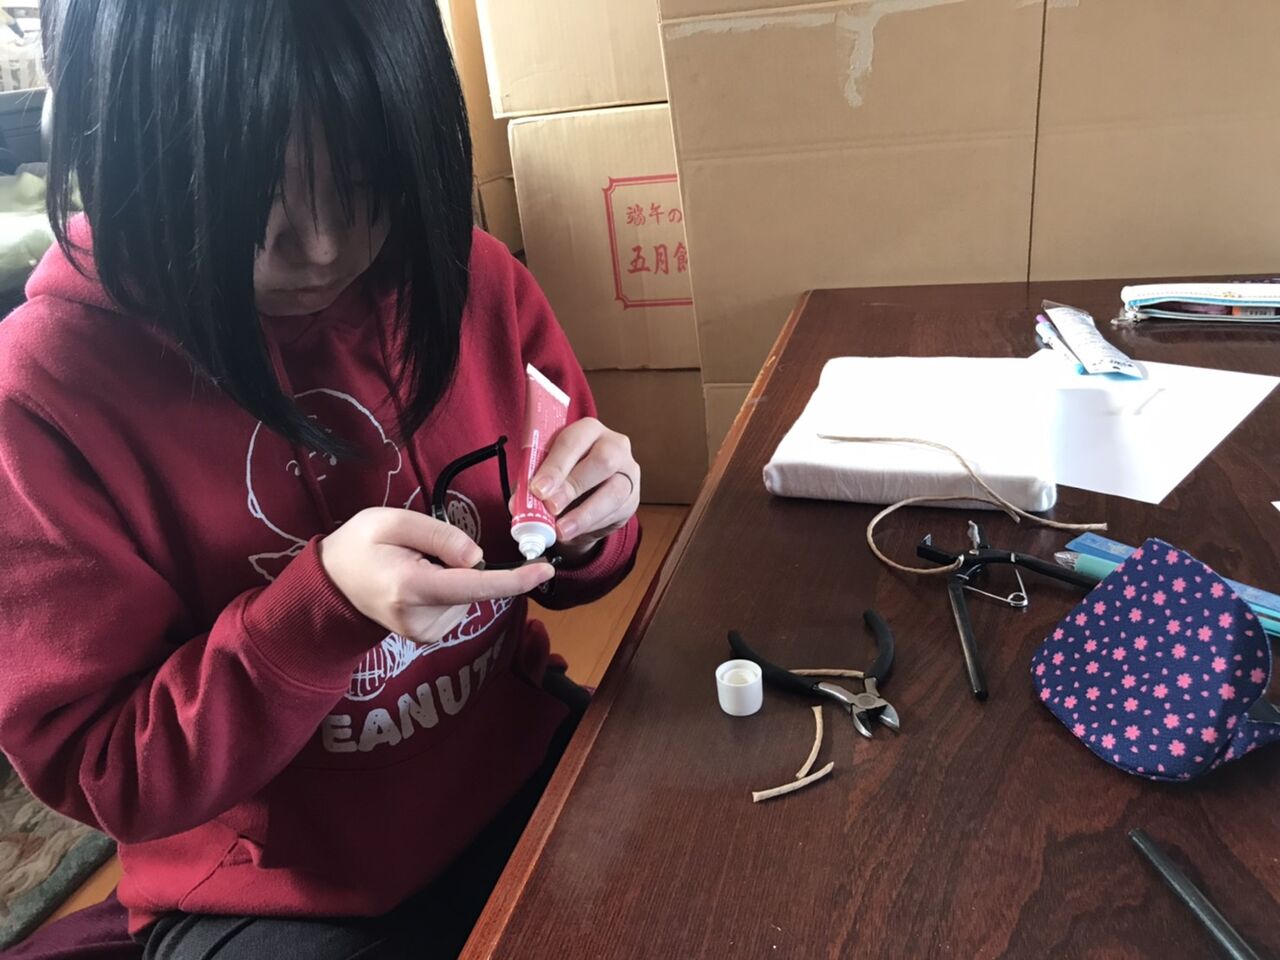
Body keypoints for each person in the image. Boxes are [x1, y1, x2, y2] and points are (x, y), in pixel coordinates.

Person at [0, 2, 641, 957]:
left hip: (509, 762)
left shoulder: (470, 279)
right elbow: (104, 769)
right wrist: (318, 613)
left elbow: (578, 549)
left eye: (365, 186)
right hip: (265, 883)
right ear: (122, 150)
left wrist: (594, 523)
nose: (325, 249)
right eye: (254, 202)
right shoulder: (47, 393)